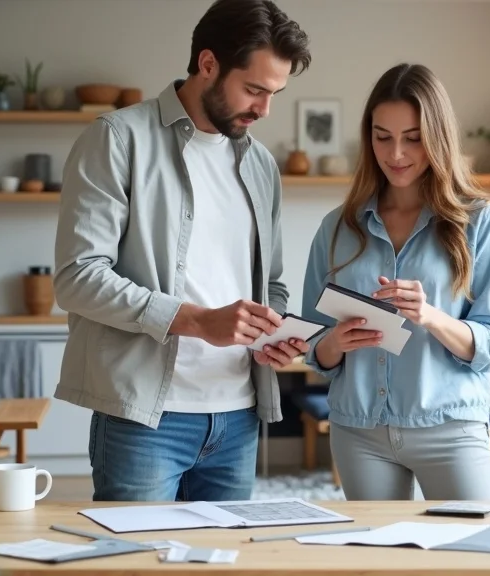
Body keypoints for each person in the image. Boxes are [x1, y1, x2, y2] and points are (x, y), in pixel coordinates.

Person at [52, 0, 312, 502]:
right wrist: (197, 320)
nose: (264, 110)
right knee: (136, 548)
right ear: (208, 64)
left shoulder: (261, 164)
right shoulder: (117, 139)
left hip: (239, 416)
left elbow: (271, 282)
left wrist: (272, 331)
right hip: (144, 419)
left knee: (224, 548)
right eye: (254, 89)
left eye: (274, 94)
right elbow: (78, 277)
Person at [300, 63, 490, 501]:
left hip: (450, 426)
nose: (395, 153)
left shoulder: (479, 221)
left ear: (437, 137)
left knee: (479, 540)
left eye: (413, 138)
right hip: (359, 431)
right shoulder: (336, 228)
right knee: (380, 546)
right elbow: (311, 340)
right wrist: (334, 343)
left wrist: (431, 316)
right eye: (382, 136)